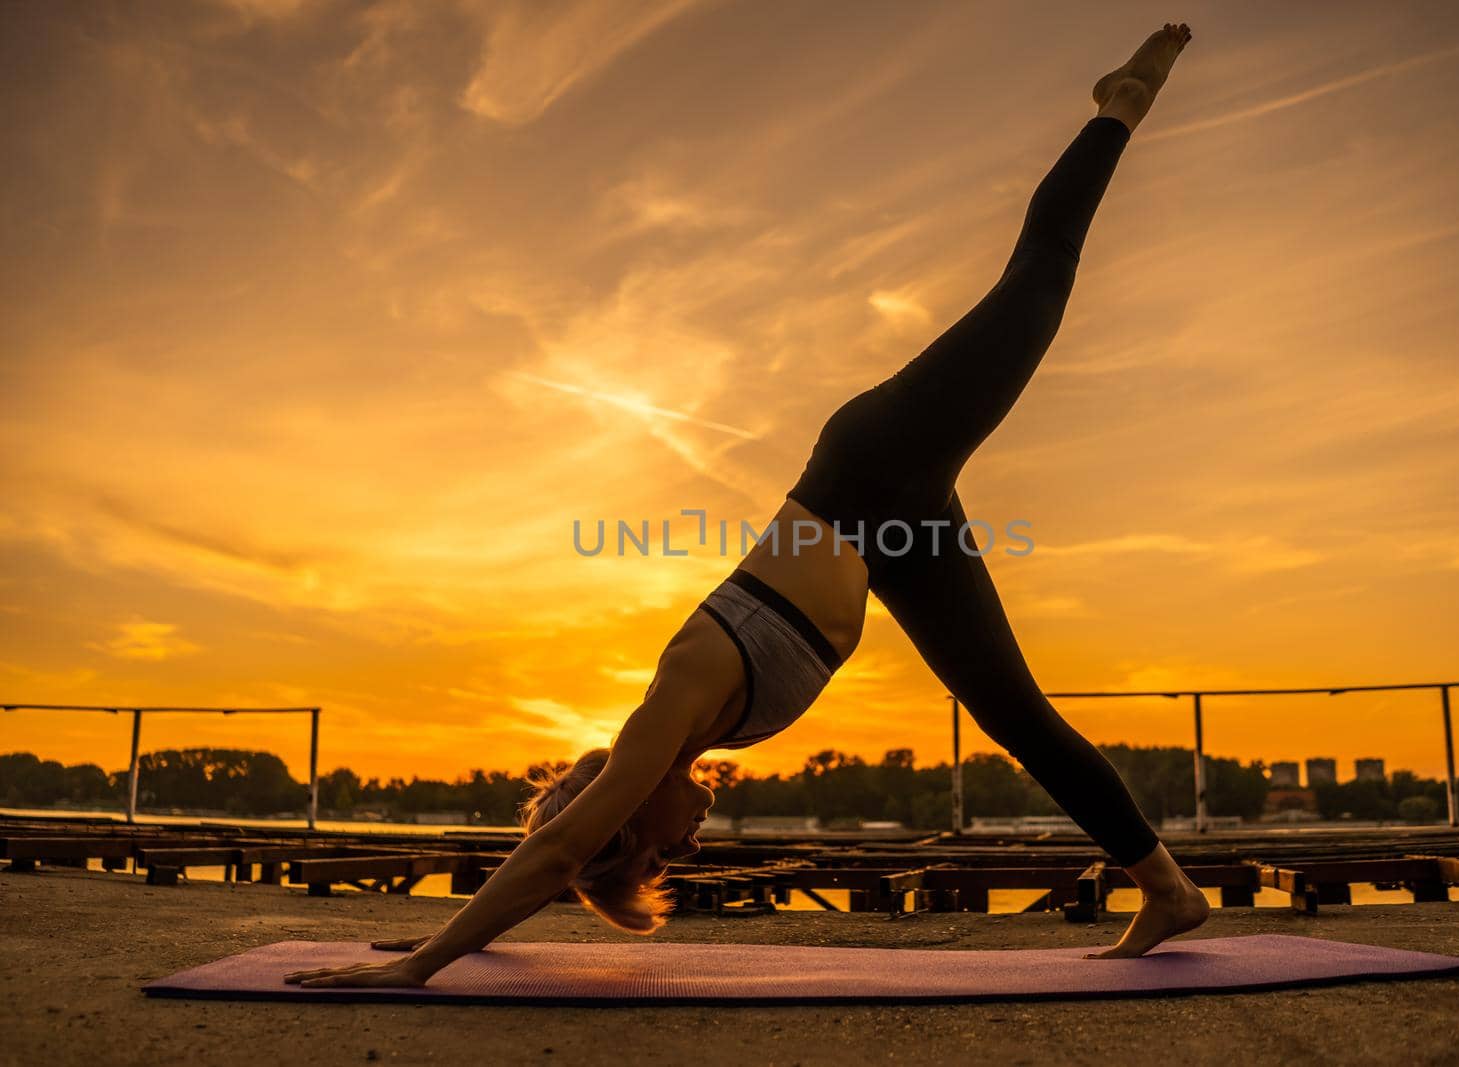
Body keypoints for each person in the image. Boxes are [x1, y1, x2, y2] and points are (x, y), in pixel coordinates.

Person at [286, 23, 1204, 990]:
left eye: (655, 852)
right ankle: (1168, 889)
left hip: (874, 466)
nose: (684, 848)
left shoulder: (670, 704)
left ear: (628, 811)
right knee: (1015, 713)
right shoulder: (694, 732)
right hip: (895, 536)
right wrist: (463, 938)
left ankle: (1119, 107)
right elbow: (554, 866)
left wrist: (424, 963)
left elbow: (557, 854)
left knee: (1036, 283)